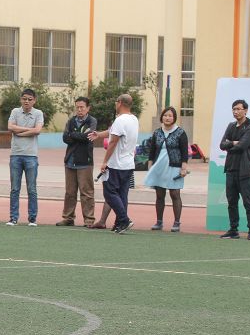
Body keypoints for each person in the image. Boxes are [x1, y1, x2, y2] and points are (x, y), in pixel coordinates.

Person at [88, 93, 139, 234]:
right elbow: (112, 132)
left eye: (116, 102)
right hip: (128, 164)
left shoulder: (120, 120)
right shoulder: (133, 119)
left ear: (120, 103)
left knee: (109, 192)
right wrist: (99, 134)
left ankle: (124, 219)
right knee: (122, 194)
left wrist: (105, 161)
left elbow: (113, 142)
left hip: (117, 164)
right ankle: (119, 224)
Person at [219, 99, 250, 240]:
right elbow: (222, 145)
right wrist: (233, 143)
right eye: (234, 109)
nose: (235, 112)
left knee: (248, 201)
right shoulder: (231, 126)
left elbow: (241, 146)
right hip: (231, 168)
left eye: (238, 109)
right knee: (231, 201)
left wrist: (230, 144)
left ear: (245, 111)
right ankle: (233, 230)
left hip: (245, 170)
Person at [144, 107, 189, 232]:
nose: (167, 118)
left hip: (175, 166)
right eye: (165, 115)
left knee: (175, 194)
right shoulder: (157, 132)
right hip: (159, 167)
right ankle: (159, 222)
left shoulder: (180, 132)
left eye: (170, 116)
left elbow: (184, 152)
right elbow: (152, 151)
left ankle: (177, 222)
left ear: (174, 118)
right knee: (159, 195)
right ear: (162, 117)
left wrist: (184, 168)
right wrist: (150, 166)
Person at [58, 97, 97, 227]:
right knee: (70, 192)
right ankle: (68, 218)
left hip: (85, 161)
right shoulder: (71, 121)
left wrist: (73, 134)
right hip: (70, 160)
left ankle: (89, 219)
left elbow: (87, 137)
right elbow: (65, 138)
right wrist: (77, 135)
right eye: (77, 107)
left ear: (88, 108)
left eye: (82, 107)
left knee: (87, 192)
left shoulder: (92, 121)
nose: (79, 110)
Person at [7, 88, 44, 226]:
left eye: (29, 99)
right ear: (20, 99)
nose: (26, 101)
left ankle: (32, 218)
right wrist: (30, 130)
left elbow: (38, 130)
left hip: (31, 156)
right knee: (14, 189)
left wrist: (20, 132)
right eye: (24, 99)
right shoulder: (15, 111)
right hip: (15, 155)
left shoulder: (38, 113)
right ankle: (13, 218)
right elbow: (10, 127)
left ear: (34, 101)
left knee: (32, 189)